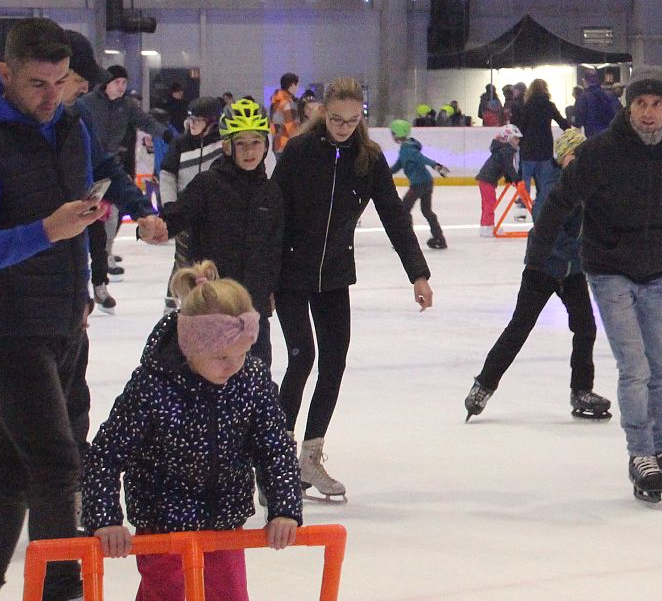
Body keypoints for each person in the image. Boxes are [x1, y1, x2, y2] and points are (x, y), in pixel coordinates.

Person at [0, 17, 167, 601]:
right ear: (6, 74)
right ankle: (61, 589)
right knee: (56, 463)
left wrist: (138, 212)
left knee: (14, 471)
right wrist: (48, 230)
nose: (51, 96)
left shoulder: (70, 124)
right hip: (1, 328)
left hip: (61, 317)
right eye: (37, 84)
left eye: (61, 82)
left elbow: (103, 172)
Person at [525, 65, 662, 504]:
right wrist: (538, 254)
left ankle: (661, 448)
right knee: (635, 367)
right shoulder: (602, 151)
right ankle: (640, 453)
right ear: (629, 106)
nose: (648, 113)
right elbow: (560, 201)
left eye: (657, 104)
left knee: (661, 366)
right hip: (608, 269)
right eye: (640, 103)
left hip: (653, 268)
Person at [84, 262, 301, 601]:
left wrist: (284, 507)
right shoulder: (153, 385)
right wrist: (106, 518)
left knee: (228, 595)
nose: (233, 366)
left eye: (242, 353)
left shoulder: (251, 380)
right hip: (162, 526)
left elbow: (275, 448)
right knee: (166, 594)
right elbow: (105, 455)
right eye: (221, 356)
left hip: (224, 525)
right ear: (191, 346)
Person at [272, 77, 432, 500]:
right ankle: (276, 460)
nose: (344, 128)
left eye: (352, 120)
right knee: (301, 357)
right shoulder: (299, 151)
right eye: (336, 120)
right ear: (323, 113)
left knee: (334, 362)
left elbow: (395, 218)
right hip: (291, 272)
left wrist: (418, 274)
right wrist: (265, 278)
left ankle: (310, 456)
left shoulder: (368, 159)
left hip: (334, 274)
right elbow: (274, 213)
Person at [465, 128, 612, 423]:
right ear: (563, 156)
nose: (580, 161)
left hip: (572, 270)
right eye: (575, 156)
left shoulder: (586, 185)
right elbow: (546, 226)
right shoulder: (554, 186)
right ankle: (483, 385)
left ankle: (581, 390)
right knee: (519, 327)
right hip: (542, 267)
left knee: (586, 328)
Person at [159, 100, 284, 368]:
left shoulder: (271, 193)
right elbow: (174, 219)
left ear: (266, 145)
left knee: (256, 379)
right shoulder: (207, 185)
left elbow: (274, 248)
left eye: (256, 142)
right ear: (227, 146)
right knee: (211, 378)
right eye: (241, 143)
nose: (249, 151)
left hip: (253, 311)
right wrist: (153, 227)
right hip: (211, 307)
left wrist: (272, 289)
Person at [77, 63, 173, 291]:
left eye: (124, 83)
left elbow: (146, 121)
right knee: (91, 216)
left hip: (109, 164)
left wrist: (166, 134)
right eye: (117, 82)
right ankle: (96, 261)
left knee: (112, 214)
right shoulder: (87, 103)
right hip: (86, 164)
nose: (121, 87)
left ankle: (106, 255)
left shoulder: (127, 105)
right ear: (106, 83)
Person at [390, 119, 450, 249]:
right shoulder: (407, 147)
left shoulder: (407, 149)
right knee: (427, 211)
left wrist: (436, 165)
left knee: (404, 210)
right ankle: (439, 238)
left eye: (393, 133)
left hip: (419, 184)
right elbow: (398, 165)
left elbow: (421, 159)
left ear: (398, 133)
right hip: (427, 182)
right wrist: (384, 173)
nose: (392, 135)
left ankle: (407, 240)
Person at [516, 78, 570, 200]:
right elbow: (561, 121)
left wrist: (519, 141)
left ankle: (524, 200)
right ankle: (542, 200)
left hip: (528, 147)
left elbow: (521, 126)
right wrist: (571, 131)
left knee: (526, 177)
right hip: (545, 148)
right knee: (544, 179)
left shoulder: (527, 106)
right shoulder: (549, 106)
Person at [475, 124, 523, 238]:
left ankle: (486, 226)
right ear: (508, 138)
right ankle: (487, 226)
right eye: (516, 138)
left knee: (488, 202)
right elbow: (509, 167)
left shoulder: (503, 149)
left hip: (486, 179)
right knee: (489, 202)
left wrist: (509, 178)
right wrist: (516, 179)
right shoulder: (506, 150)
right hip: (487, 179)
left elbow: (504, 166)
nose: (518, 141)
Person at [573, 68, 620, 135]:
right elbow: (614, 115)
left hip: (592, 136)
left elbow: (578, 121)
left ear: (584, 81)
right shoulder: (608, 95)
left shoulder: (583, 98)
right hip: (608, 135)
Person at [269, 73, 299, 155]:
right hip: (287, 144)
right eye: (296, 85)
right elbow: (291, 127)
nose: (297, 88)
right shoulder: (287, 103)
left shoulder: (276, 102)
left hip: (277, 143)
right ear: (292, 85)